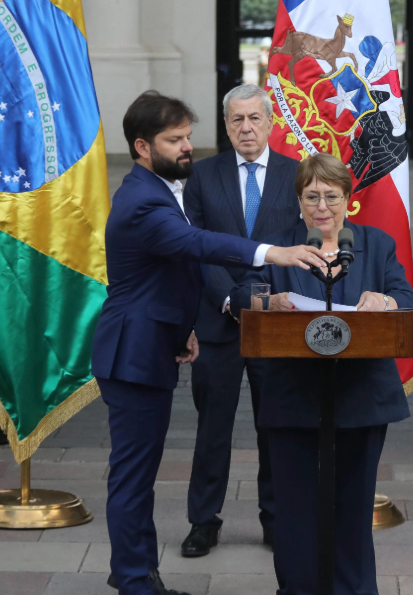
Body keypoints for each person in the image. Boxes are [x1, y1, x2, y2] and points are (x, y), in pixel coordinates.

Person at [91, 91, 324, 595]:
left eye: (188, 137)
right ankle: (134, 580)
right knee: (133, 476)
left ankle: (136, 570)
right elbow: (196, 244)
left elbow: (168, 275)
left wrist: (181, 331)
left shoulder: (157, 189)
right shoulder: (143, 200)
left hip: (153, 345)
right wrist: (272, 253)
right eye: (174, 139)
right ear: (142, 147)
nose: (186, 147)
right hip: (133, 354)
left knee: (139, 473)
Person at [229, 153, 413, 595]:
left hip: (360, 396)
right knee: (295, 506)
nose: (322, 207)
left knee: (353, 505)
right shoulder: (279, 246)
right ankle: (298, 587)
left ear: (348, 199)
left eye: (331, 197)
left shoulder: (375, 244)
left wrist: (384, 301)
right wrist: (268, 302)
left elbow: (407, 295)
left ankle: (353, 588)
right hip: (294, 396)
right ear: (298, 201)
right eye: (311, 197)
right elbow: (241, 294)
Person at [179, 84, 301, 556]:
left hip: (278, 322)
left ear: (270, 123)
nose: (246, 128)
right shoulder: (201, 175)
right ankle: (203, 522)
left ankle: (277, 518)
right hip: (218, 320)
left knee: (277, 426)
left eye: (254, 118)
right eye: (237, 120)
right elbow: (193, 246)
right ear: (226, 125)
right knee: (213, 429)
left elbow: (300, 245)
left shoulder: (297, 174)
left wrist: (262, 300)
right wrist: (231, 299)